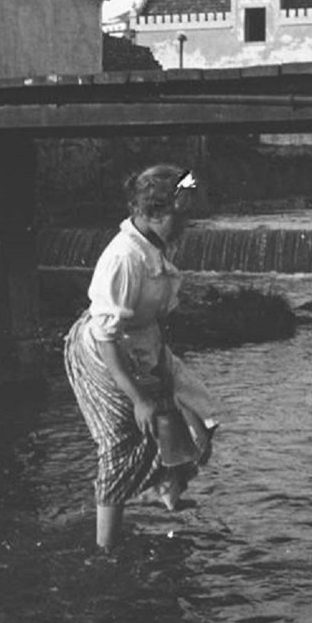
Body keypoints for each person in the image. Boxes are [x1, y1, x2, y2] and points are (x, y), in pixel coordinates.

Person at [64, 164, 218, 551]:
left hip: (143, 343)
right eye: (178, 217)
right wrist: (137, 398)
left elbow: (158, 318)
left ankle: (165, 487)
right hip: (103, 352)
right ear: (153, 213)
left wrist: (164, 370)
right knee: (122, 441)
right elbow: (106, 337)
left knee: (203, 414)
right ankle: (105, 547)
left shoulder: (154, 247)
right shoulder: (124, 258)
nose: (184, 225)